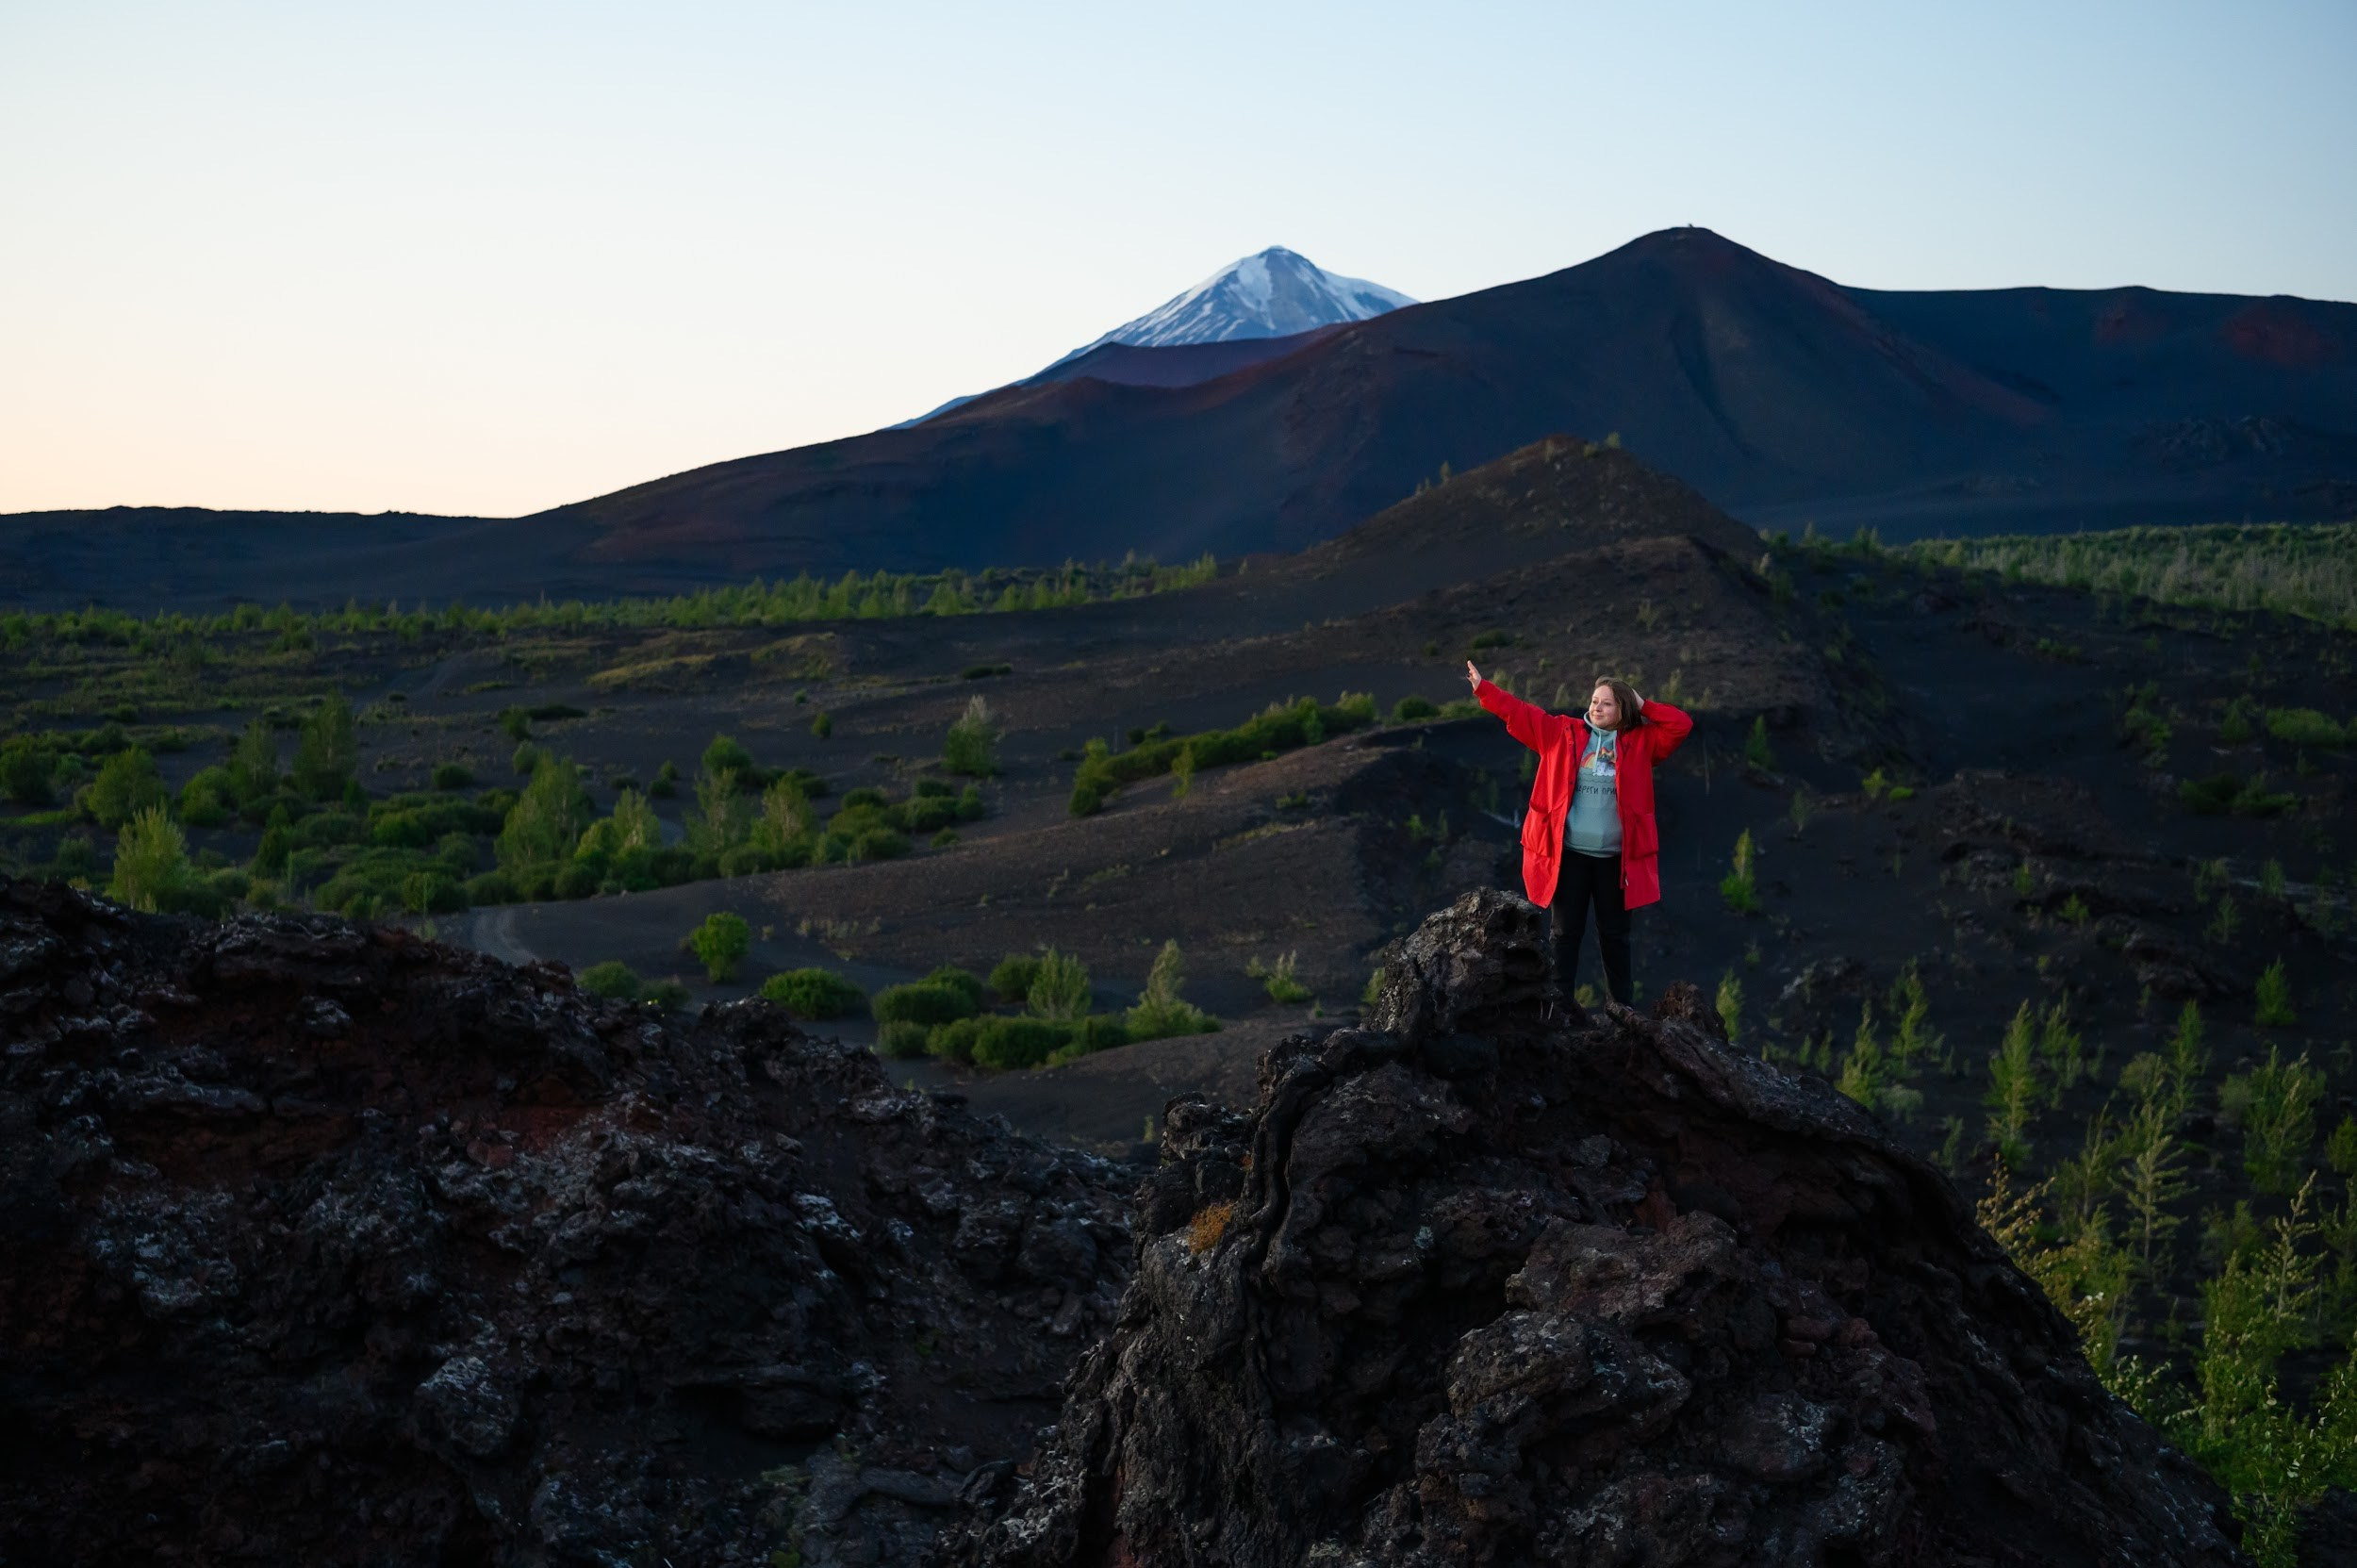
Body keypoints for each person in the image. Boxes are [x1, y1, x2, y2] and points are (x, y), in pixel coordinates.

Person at [1465, 662, 1692, 1008]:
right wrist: (1484, 689)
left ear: (1623, 710)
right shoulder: (1562, 733)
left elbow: (1681, 725)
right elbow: (1519, 713)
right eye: (1594, 701)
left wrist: (1644, 705)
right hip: (1569, 856)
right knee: (1564, 934)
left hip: (1616, 861)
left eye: (1606, 703)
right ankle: (1558, 1009)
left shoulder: (1642, 742)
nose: (1596, 708)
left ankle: (1621, 1010)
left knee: (1615, 937)